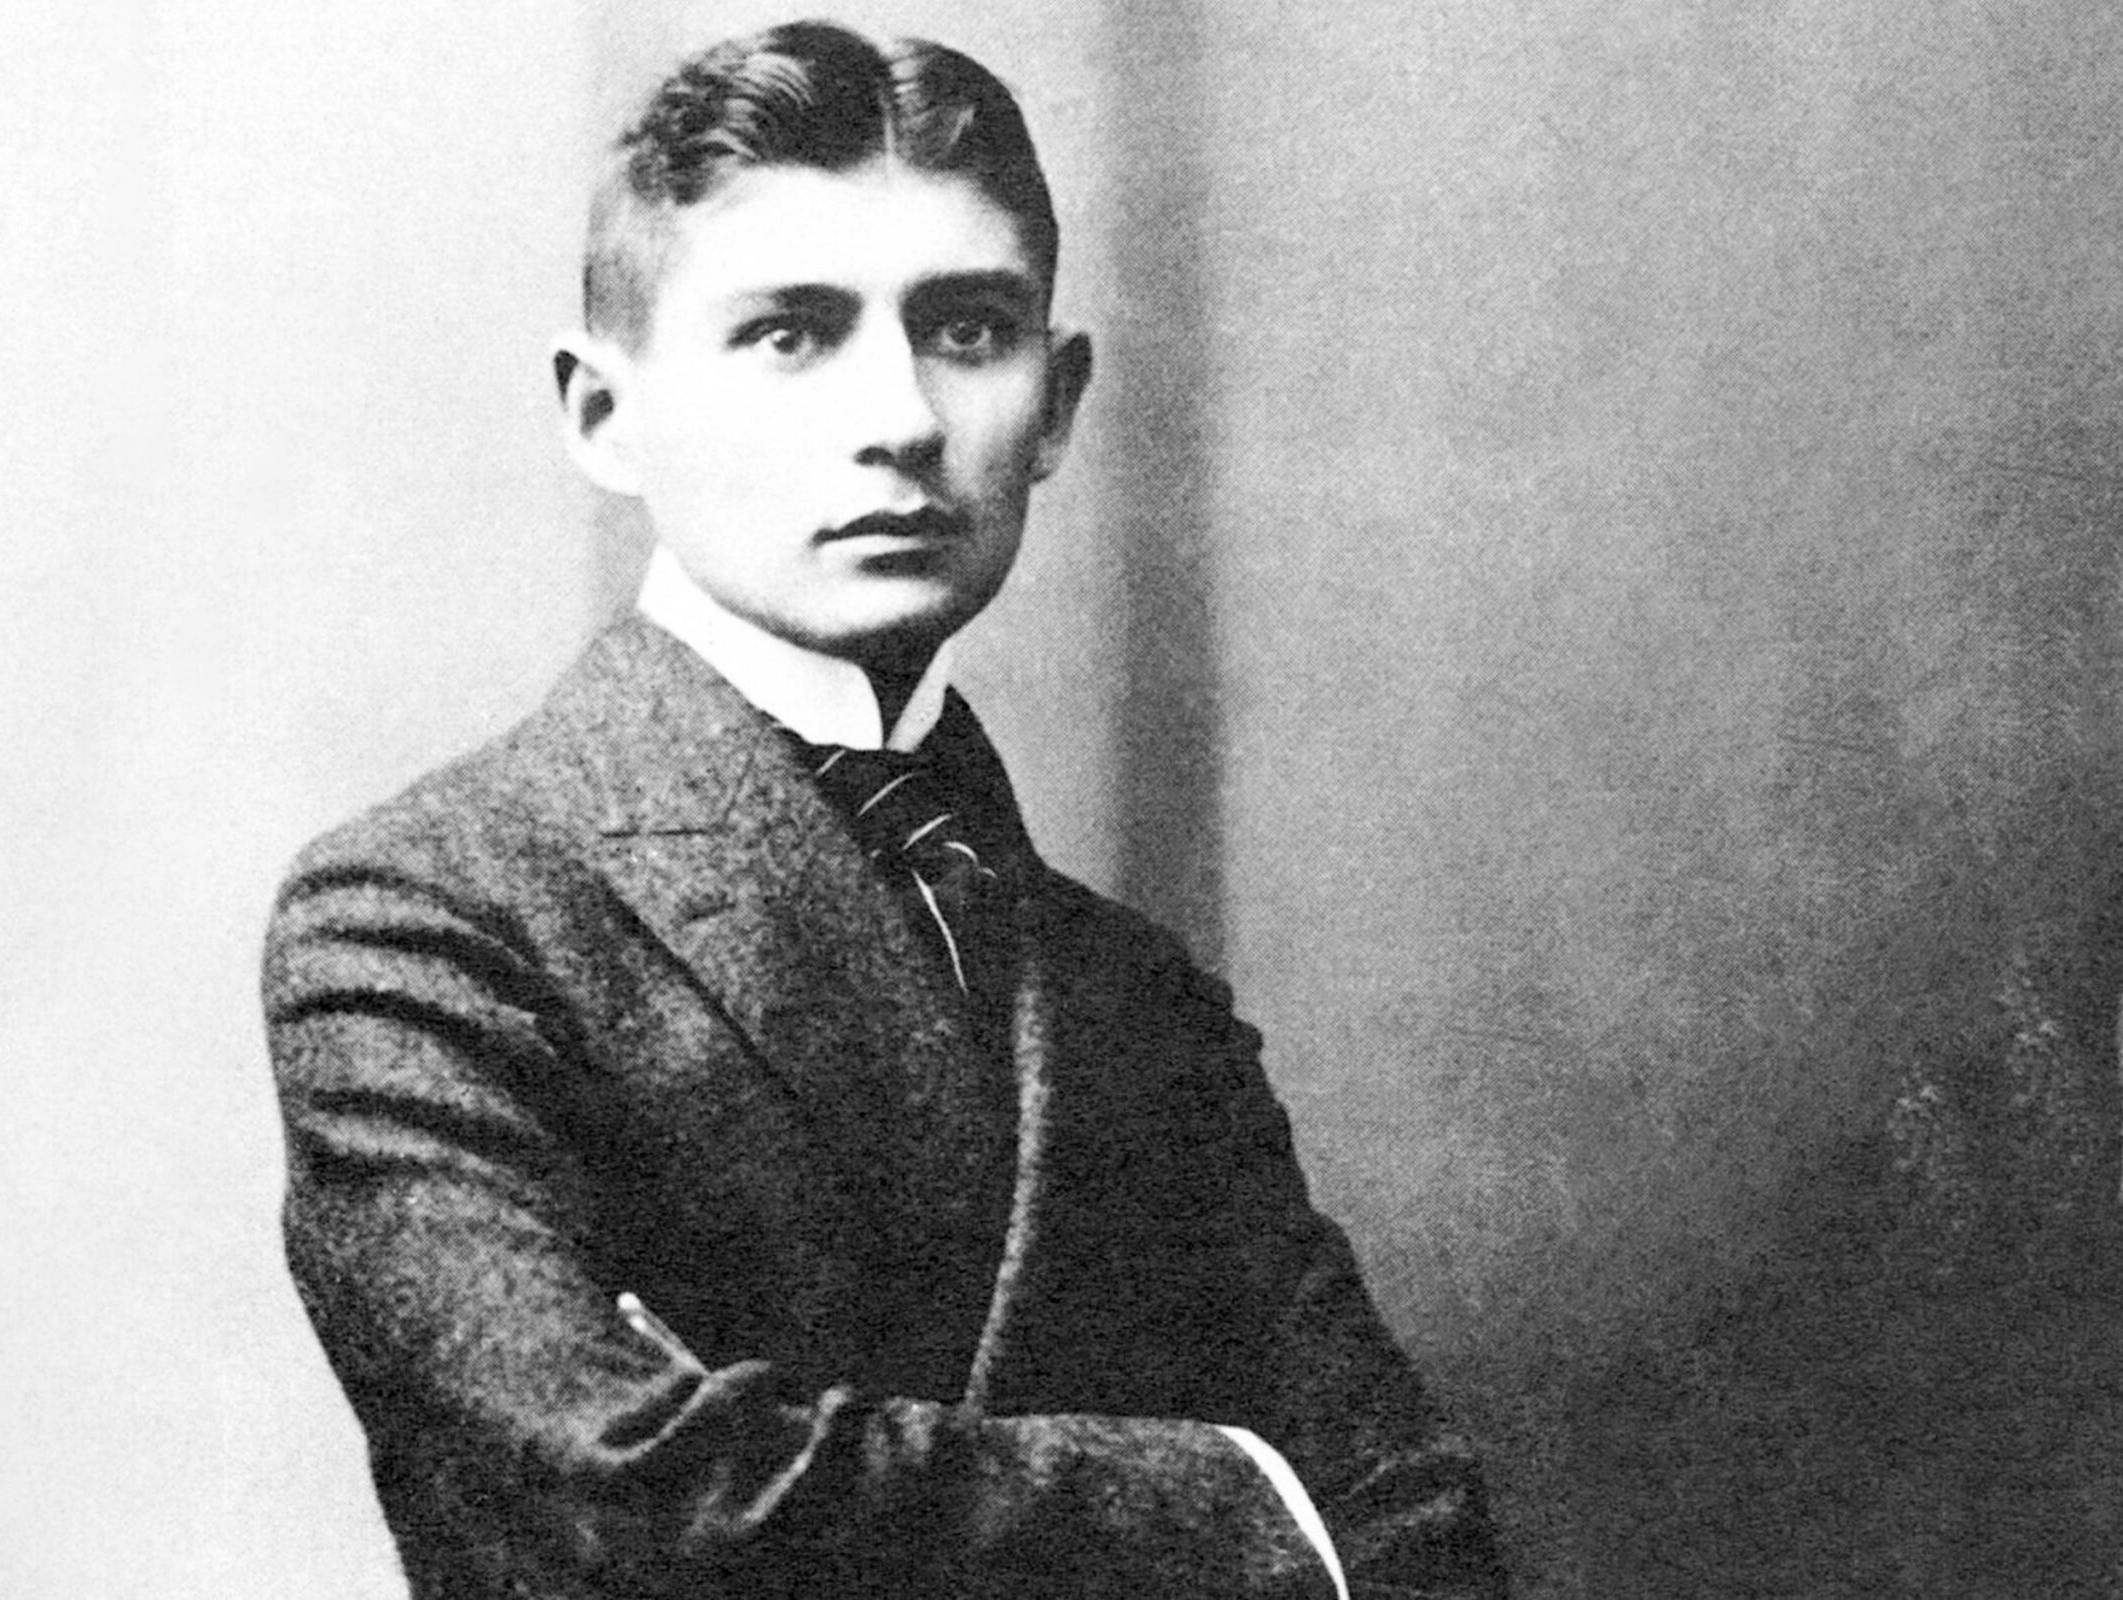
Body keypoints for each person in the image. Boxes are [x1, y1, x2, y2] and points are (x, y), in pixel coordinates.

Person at [263, 21, 1508, 1598]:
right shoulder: (430, 919)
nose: (904, 417)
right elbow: (632, 1496)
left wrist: (789, 1463)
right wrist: (1251, 1501)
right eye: (791, 333)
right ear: (605, 415)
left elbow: (1420, 1541)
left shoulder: (1135, 1000)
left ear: (1057, 406)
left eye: (968, 329)